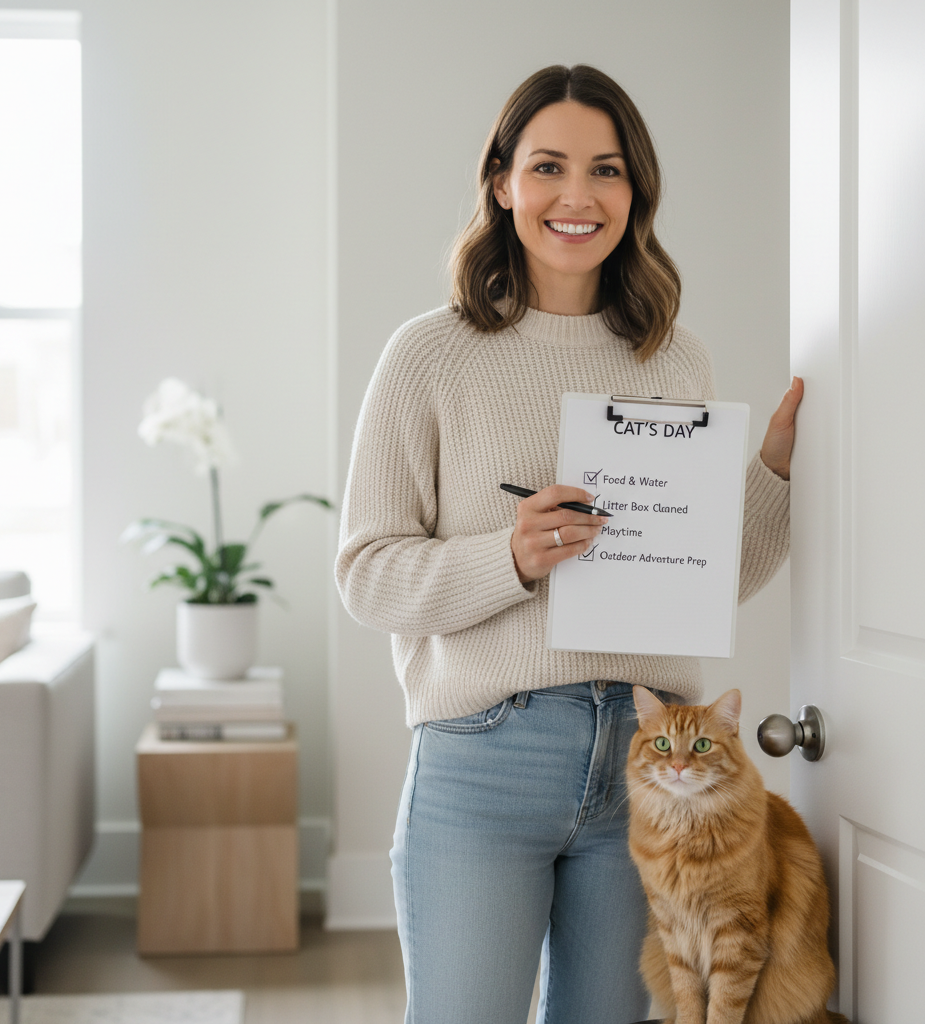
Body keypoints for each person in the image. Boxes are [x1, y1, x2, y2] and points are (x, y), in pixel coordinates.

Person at [336, 64, 801, 1024]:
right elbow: (367, 576)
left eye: (609, 170)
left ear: (638, 194)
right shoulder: (429, 355)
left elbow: (709, 576)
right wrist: (508, 558)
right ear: (502, 182)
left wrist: (778, 474)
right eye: (548, 166)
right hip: (485, 755)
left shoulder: (675, 355)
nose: (579, 197)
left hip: (655, 764)